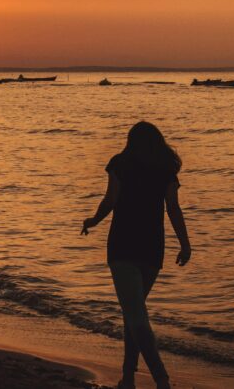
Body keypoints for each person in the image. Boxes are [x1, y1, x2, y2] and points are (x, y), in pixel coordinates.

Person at [81, 122, 191, 389]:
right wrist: (185, 244)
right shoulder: (165, 168)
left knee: (135, 315)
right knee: (134, 312)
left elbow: (110, 200)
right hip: (152, 247)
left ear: (131, 141)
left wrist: (94, 220)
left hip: (123, 245)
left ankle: (162, 380)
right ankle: (128, 378)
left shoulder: (120, 163)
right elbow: (173, 209)